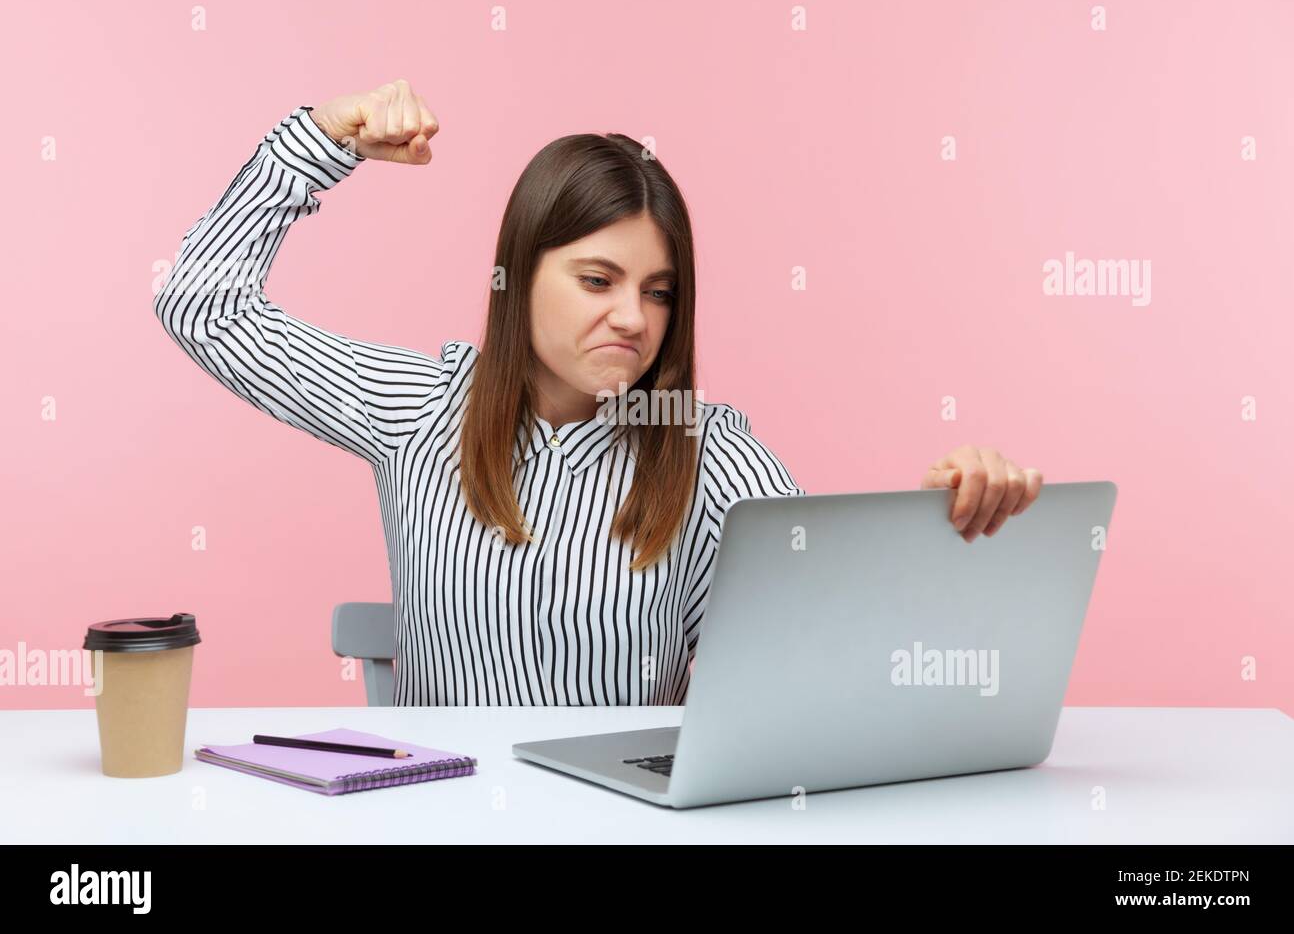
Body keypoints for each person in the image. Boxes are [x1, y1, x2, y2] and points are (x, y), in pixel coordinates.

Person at [153, 79, 1043, 707]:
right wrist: (322, 137)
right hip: (453, 817)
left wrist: (946, 525)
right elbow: (199, 302)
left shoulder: (706, 448)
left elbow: (840, 641)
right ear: (515, 277)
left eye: (658, 291)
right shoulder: (419, 409)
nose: (633, 318)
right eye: (596, 279)